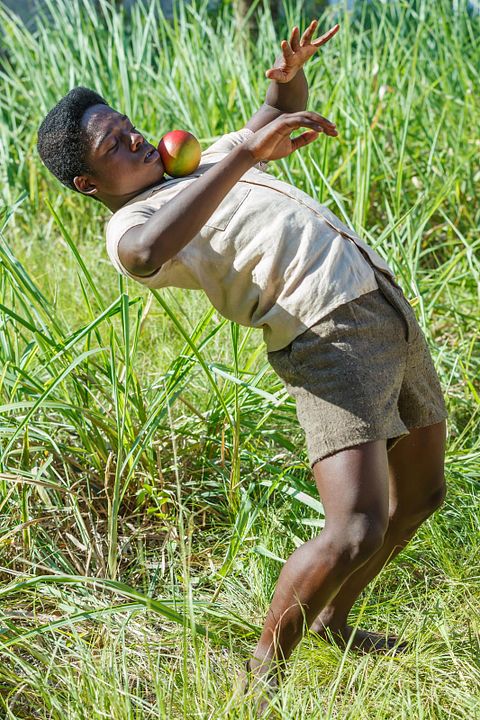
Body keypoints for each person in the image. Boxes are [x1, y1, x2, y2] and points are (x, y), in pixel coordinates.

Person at [37, 18, 447, 700]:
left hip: (380, 304)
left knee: (424, 495)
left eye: (129, 125)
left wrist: (287, 82)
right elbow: (150, 252)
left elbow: (273, 121)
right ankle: (260, 677)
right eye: (115, 144)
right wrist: (243, 157)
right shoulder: (130, 228)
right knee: (354, 527)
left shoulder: (187, 165)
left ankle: (334, 621)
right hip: (324, 333)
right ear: (89, 181)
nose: (136, 137)